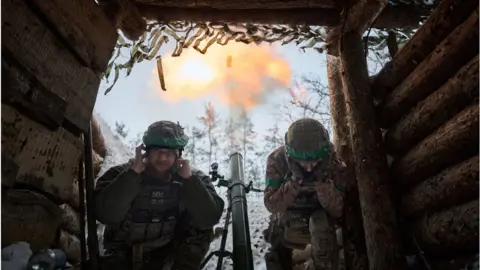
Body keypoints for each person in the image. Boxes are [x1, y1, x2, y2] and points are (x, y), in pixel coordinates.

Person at [94, 121, 225, 270]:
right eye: (157, 151)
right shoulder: (120, 174)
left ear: (178, 155)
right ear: (146, 152)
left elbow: (209, 218)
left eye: (169, 153)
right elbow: (105, 214)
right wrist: (132, 175)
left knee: (201, 226)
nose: (162, 158)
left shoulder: (193, 178)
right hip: (123, 255)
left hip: (168, 257)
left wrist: (190, 181)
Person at [263, 118, 346, 270]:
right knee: (277, 256)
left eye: (314, 162)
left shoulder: (332, 161)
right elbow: (271, 204)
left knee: (320, 225)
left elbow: (339, 209)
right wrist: (293, 185)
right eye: (302, 163)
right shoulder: (277, 160)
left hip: (322, 218)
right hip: (287, 218)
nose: (309, 168)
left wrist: (323, 187)